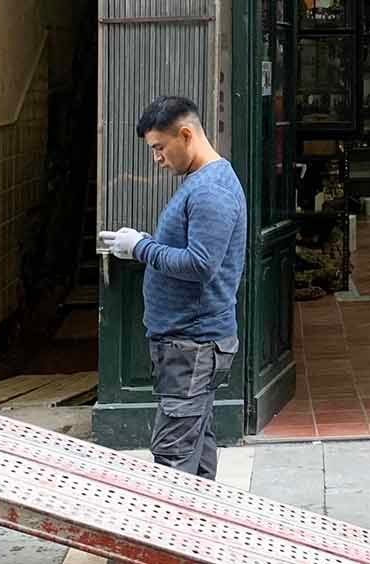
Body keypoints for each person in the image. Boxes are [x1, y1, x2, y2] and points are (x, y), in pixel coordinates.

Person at [99, 96, 247, 480]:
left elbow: (200, 264)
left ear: (186, 135)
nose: (157, 159)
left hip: (192, 346)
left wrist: (141, 247)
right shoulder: (202, 183)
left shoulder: (209, 191)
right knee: (195, 449)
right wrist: (144, 243)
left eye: (159, 148)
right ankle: (205, 533)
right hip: (189, 345)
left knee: (173, 463)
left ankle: (173, 536)